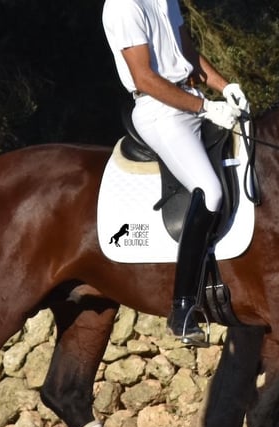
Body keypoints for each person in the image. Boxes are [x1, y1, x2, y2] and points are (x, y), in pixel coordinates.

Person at [102, 0, 250, 346]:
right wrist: (206, 107)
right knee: (209, 191)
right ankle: (182, 307)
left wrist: (226, 87)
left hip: (190, 99)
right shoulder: (123, 6)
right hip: (159, 111)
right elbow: (145, 78)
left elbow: (187, 53)